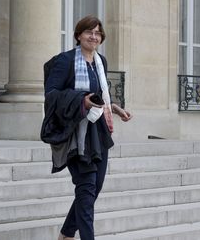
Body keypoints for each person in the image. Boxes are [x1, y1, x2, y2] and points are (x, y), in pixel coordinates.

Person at [44, 15, 132, 240]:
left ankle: (65, 233)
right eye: (89, 32)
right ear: (78, 35)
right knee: (86, 190)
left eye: (97, 33)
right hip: (76, 132)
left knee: (96, 186)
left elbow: (98, 96)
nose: (94, 36)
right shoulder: (65, 61)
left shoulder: (101, 62)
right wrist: (81, 101)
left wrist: (113, 107)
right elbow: (51, 95)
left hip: (98, 131)